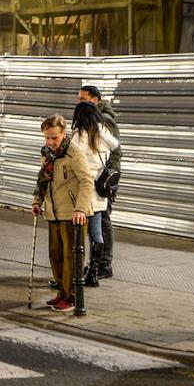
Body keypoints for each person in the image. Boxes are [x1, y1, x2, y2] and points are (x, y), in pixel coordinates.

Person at [32, 114, 88, 311]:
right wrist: (37, 200)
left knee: (70, 258)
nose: (50, 141)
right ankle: (62, 293)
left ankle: (72, 297)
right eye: (47, 137)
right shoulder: (47, 153)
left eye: (54, 137)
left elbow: (86, 182)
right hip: (53, 212)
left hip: (72, 213)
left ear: (63, 134)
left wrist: (80, 208)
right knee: (55, 256)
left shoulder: (74, 153)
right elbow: (42, 179)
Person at [68, 101, 117, 287]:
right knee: (96, 232)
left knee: (78, 232)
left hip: (83, 189)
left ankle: (76, 272)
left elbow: (72, 158)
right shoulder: (102, 132)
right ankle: (94, 272)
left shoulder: (79, 136)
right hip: (100, 189)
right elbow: (115, 145)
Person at [78, 85, 121, 278]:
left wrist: (104, 173)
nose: (80, 102)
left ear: (95, 99)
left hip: (101, 181)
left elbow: (116, 150)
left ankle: (104, 265)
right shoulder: (95, 118)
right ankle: (97, 265)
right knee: (98, 221)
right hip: (97, 179)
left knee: (103, 220)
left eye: (84, 98)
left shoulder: (103, 121)